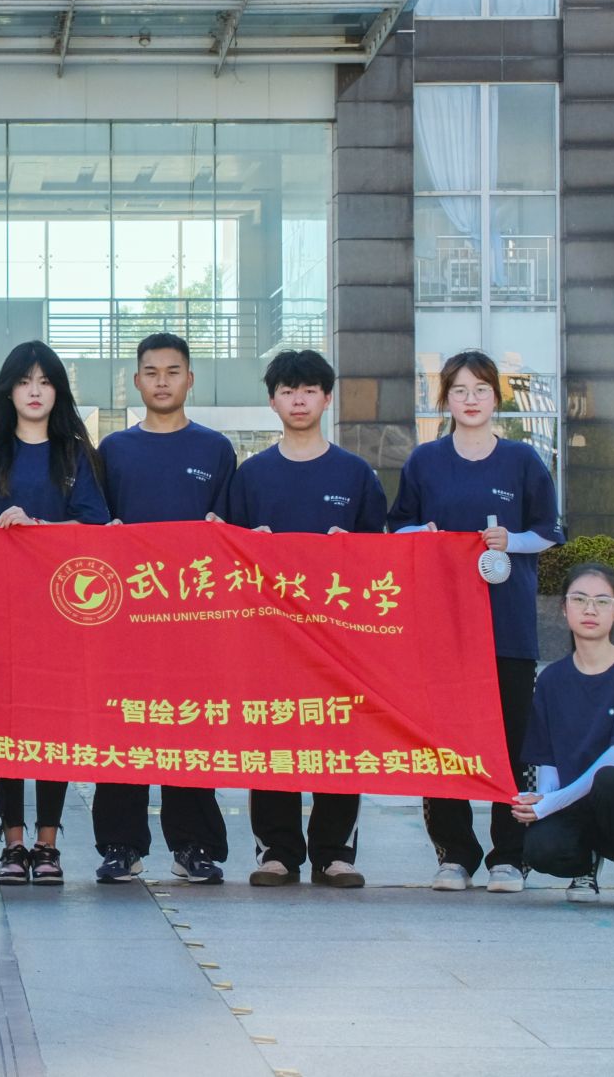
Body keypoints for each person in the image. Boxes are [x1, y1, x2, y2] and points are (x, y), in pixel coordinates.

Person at [387, 349, 562, 894]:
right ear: (446, 398)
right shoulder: (425, 462)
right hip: (441, 627)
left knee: (513, 743)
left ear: (496, 398)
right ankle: (454, 854)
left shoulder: (523, 461)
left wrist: (512, 541)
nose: (470, 400)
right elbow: (396, 528)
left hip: (507, 627)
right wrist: (424, 536)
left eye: (481, 390)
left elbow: (549, 532)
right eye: (460, 390)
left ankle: (510, 855)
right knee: (444, 742)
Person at [0, 339, 110, 885]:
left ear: (57, 391)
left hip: (61, 614)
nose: (34, 391)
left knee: (52, 724)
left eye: (44, 381)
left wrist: (38, 530)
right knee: (8, 724)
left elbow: (96, 528)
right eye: (23, 382)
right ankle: (13, 842)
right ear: (8, 391)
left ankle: (48, 843)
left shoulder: (74, 454)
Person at [223, 349, 388, 890]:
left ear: (327, 398)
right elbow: (227, 555)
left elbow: (382, 558)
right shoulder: (251, 475)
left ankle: (334, 852)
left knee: (339, 737)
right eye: (288, 391)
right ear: (272, 401)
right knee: (273, 734)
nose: (299, 400)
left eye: (310, 390)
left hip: (339, 638)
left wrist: (353, 549)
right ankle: (277, 851)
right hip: (269, 637)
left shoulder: (355, 473)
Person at [90, 334, 236, 887]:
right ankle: (120, 845)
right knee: (123, 725)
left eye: (173, 372)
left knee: (190, 728)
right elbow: (93, 530)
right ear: (136, 382)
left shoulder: (215, 449)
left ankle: (194, 845)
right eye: (151, 372)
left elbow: (233, 532)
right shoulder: (114, 451)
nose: (162, 381)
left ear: (190, 380)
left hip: (196, 620)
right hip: (125, 619)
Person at [515, 563, 614, 911]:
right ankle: (585, 864)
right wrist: (541, 802)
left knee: (609, 779)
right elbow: (547, 761)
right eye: (579, 599)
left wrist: (550, 805)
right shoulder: (551, 679)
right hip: (577, 806)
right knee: (540, 847)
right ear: (564, 608)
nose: (590, 609)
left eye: (602, 601)